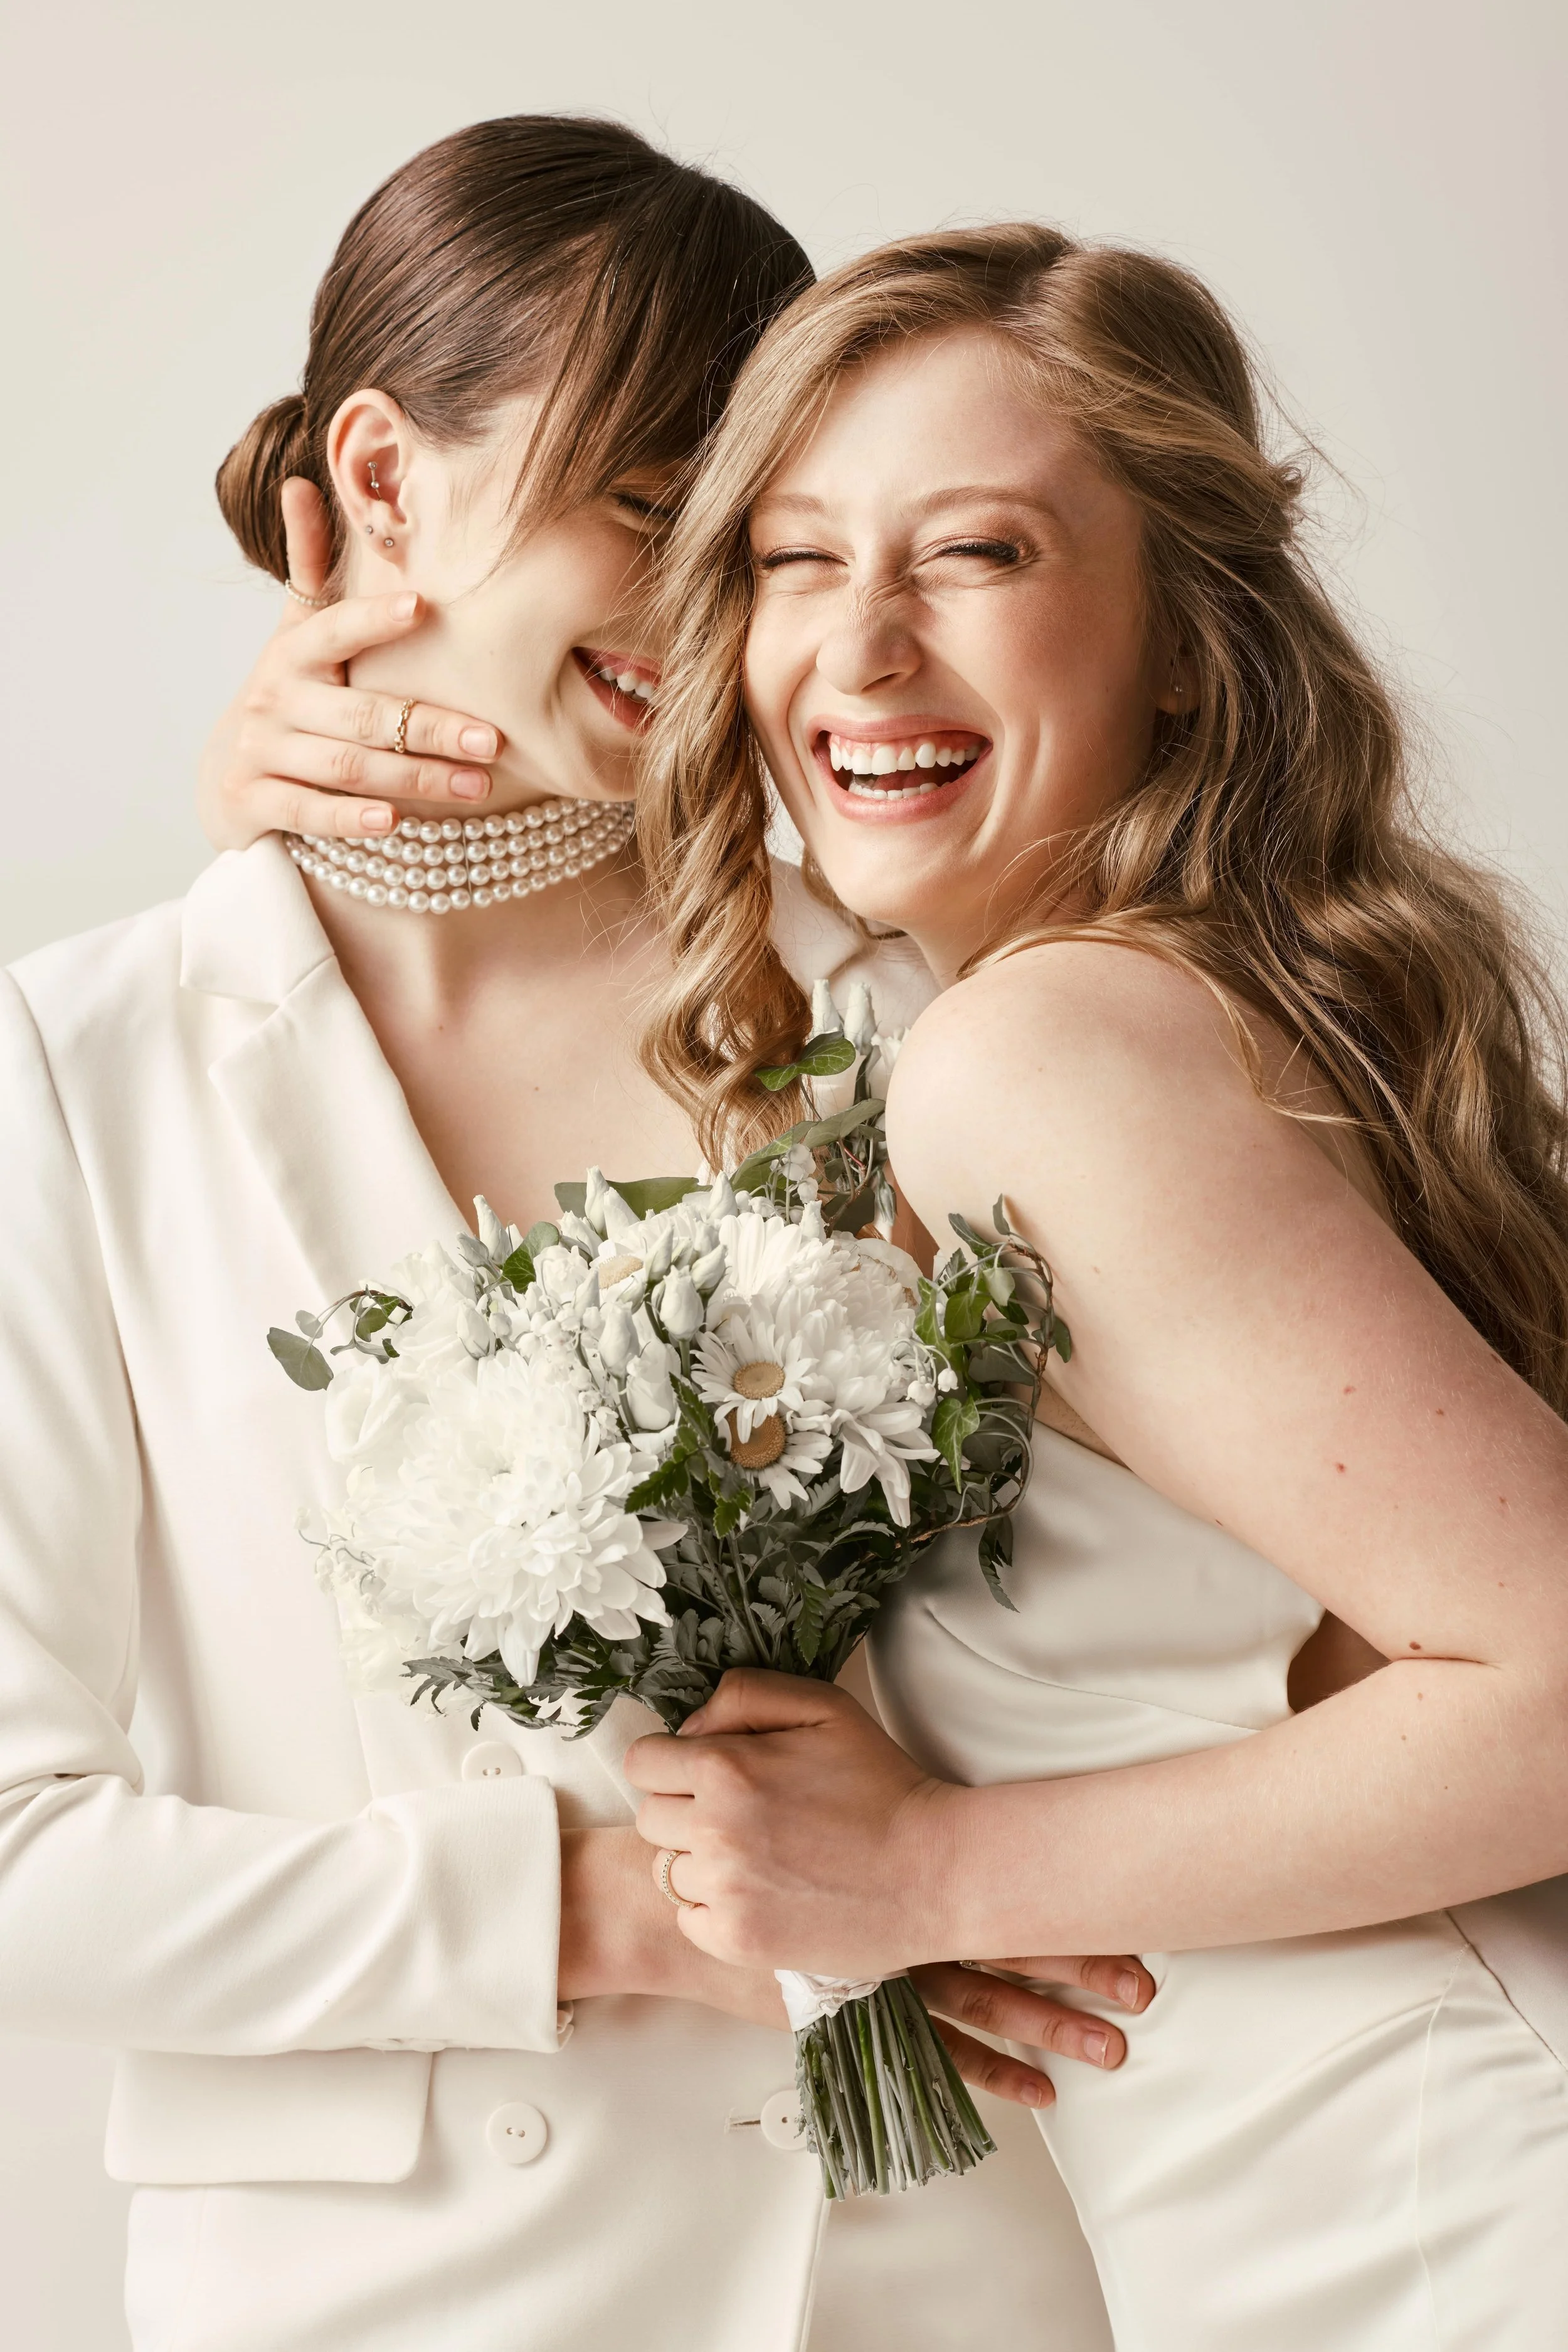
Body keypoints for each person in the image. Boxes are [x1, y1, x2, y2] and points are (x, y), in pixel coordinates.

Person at [0, 130, 1142, 2352]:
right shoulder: (83, 1068)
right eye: (649, 506)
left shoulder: (911, 995)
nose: (717, 602)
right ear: (381, 478)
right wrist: (596, 1912)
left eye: (760, 532)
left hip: (944, 2263)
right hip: (384, 2295)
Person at [623, 224, 1568, 2348]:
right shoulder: (1131, 1009)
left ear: (1178, 639)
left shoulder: (1035, 1057)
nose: (859, 649)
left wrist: (929, 1876)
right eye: (791, 559)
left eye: (971, 554)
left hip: (1431, 2193)